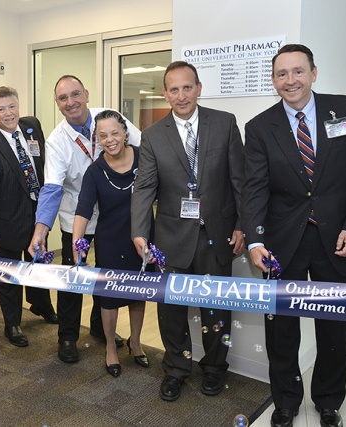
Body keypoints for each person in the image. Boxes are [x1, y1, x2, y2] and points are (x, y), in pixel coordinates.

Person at [242, 44, 346, 427]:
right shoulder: (258, 127)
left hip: (339, 242)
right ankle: (285, 401)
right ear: (273, 80)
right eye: (282, 74)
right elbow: (253, 189)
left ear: (313, 73)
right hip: (281, 246)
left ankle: (328, 401)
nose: (291, 80)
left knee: (336, 329)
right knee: (281, 330)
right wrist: (255, 241)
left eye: (298, 71)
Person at [131, 61, 245, 400]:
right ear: (165, 94)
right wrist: (140, 231)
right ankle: (177, 369)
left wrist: (243, 226)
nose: (181, 95)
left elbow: (240, 181)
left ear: (198, 87)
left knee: (216, 309)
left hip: (218, 235)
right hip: (170, 238)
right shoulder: (153, 134)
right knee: (172, 311)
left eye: (187, 87)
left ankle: (214, 369)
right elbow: (144, 187)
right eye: (174, 89)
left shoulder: (224, 124)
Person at [29, 75, 141, 363]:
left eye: (75, 94)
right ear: (57, 104)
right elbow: (52, 188)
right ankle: (67, 336)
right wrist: (40, 232)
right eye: (63, 98)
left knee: (106, 277)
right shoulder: (57, 141)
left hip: (113, 219)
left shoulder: (111, 119)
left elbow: (145, 150)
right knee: (73, 280)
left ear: (87, 94)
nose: (71, 102)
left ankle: (99, 329)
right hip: (76, 217)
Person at [0, 86, 56, 347]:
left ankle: (41, 305)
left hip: (36, 215)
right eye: (1, 109)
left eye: (12, 107)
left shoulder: (32, 126)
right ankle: (13, 324)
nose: (9, 114)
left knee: (38, 264)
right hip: (5, 219)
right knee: (9, 275)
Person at [72, 110, 153, 378]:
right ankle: (110, 347)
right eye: (103, 135)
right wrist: (76, 244)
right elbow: (83, 211)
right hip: (110, 241)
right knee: (109, 299)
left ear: (125, 133)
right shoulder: (94, 171)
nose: (110, 140)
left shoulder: (144, 156)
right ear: (97, 139)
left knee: (138, 294)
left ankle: (137, 342)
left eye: (115, 133)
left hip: (142, 239)